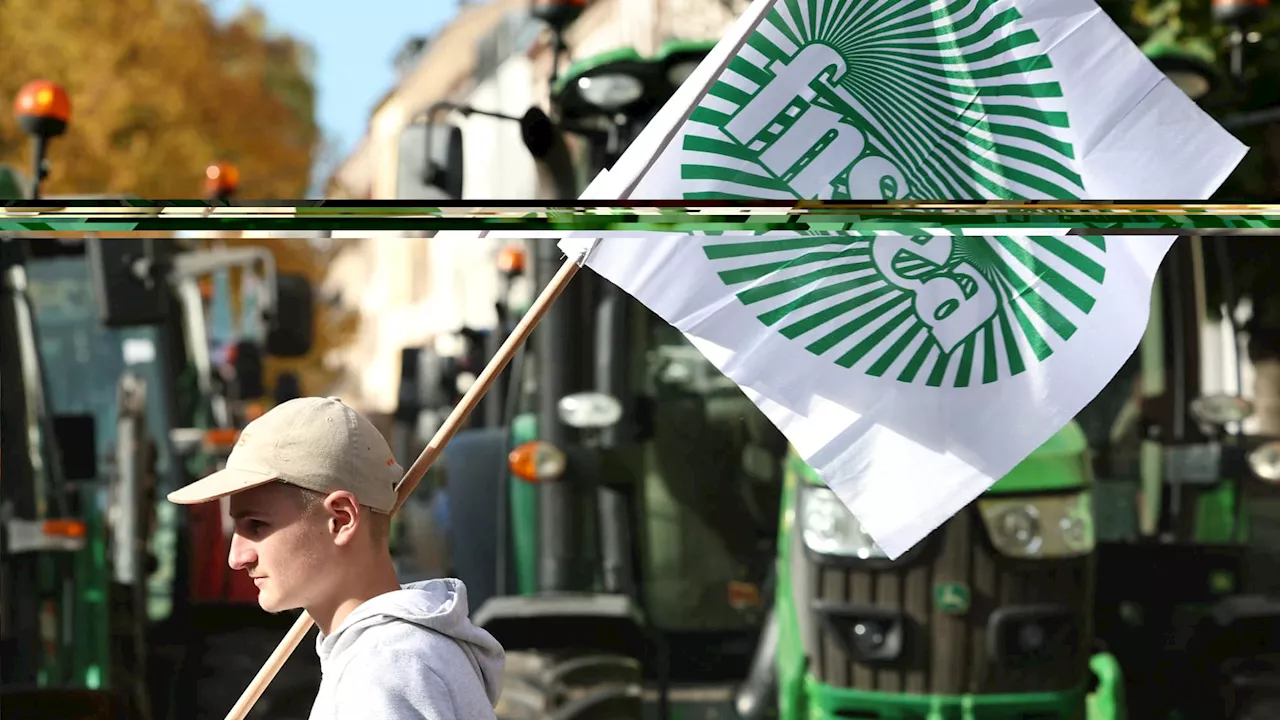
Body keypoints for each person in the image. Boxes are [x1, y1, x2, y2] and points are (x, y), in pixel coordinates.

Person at [168, 396, 504, 719]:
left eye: (256, 525)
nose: (236, 557)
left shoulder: (381, 673)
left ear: (341, 520)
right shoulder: (404, 654)